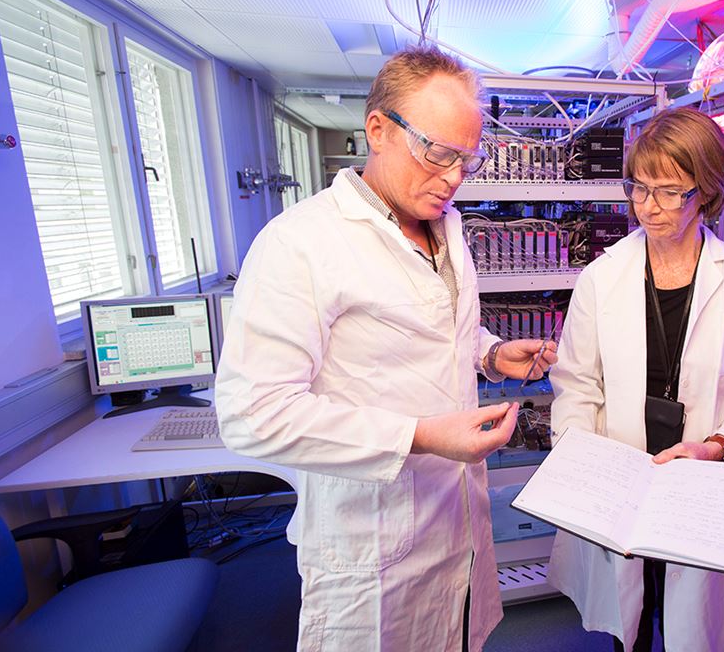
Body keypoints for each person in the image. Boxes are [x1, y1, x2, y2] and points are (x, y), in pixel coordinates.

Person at [215, 45, 557, 652]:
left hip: (454, 525)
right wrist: (420, 436)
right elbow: (252, 415)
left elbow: (429, 326)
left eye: (468, 159)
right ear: (378, 129)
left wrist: (489, 353)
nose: (453, 176)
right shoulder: (300, 244)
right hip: (371, 542)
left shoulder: (445, 224)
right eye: (438, 152)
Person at [548, 106, 724, 652]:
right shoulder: (602, 276)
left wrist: (719, 446)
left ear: (705, 191)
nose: (647, 207)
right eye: (639, 188)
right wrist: (581, 463)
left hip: (699, 481)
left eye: (668, 191)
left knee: (693, 626)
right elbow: (576, 384)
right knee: (628, 626)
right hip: (620, 483)